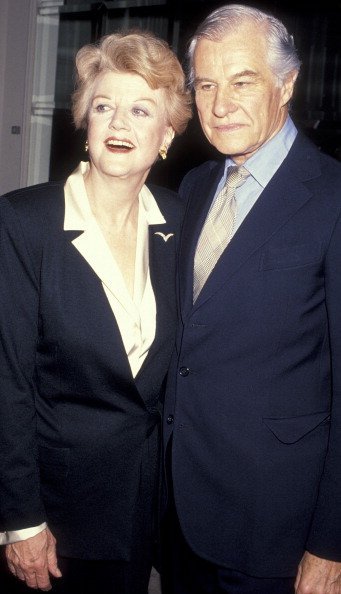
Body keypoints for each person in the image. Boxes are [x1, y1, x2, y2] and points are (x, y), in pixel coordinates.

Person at [0, 30, 191, 594]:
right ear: (85, 124)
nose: (119, 124)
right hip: (55, 517)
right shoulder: (24, 222)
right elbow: (6, 380)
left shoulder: (180, 225)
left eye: (141, 109)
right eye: (104, 106)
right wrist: (21, 521)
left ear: (167, 136)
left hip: (142, 509)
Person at [162, 4, 341, 594]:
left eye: (242, 82)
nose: (218, 105)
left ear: (286, 84)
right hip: (182, 514)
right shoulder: (195, 184)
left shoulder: (333, 197)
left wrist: (330, 543)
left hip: (277, 531)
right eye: (206, 84)